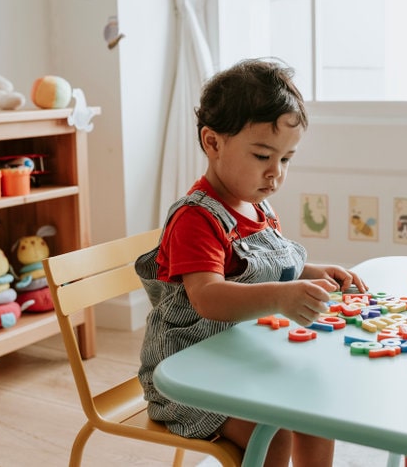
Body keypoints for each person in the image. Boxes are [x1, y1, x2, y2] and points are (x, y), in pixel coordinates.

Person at [137, 58, 367, 466]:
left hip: (239, 359)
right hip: (187, 379)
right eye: (263, 155)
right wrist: (281, 297)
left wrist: (314, 274)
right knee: (272, 434)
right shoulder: (196, 218)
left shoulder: (259, 208)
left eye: (286, 159)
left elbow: (265, 269)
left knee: (316, 411)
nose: (276, 173)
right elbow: (208, 296)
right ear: (213, 143)